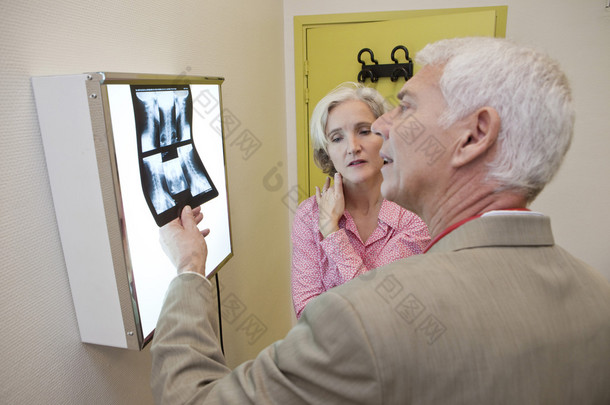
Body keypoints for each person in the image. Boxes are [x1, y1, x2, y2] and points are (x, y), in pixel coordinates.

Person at [151, 37, 610, 404]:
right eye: (337, 137)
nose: (382, 127)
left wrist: (191, 268)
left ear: (474, 135)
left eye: (405, 106)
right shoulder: (599, 298)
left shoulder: (363, 318)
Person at [291, 83, 430, 318]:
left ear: (386, 137)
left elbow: (380, 308)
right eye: (337, 138)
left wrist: (332, 233)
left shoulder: (415, 214)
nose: (353, 148)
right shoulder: (309, 215)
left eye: (364, 131)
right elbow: (307, 313)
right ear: (327, 152)